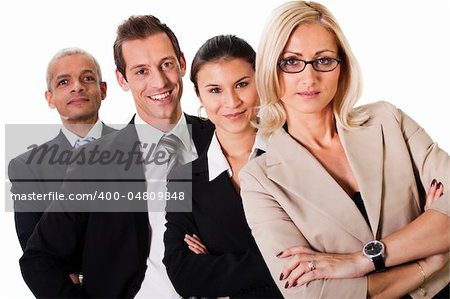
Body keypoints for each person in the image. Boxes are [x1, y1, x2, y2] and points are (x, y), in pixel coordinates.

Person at [239, 1, 449, 298]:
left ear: (343, 66)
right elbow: (310, 294)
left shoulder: (387, 120)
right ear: (271, 69)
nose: (309, 78)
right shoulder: (260, 179)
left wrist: (360, 261)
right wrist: (426, 262)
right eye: (291, 62)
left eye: (323, 60)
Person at [19, 15, 213, 298]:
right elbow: (39, 259)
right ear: (122, 79)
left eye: (166, 64)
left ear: (182, 63)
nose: (159, 81)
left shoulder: (219, 136)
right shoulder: (95, 160)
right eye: (141, 71)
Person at [163, 35, 282, 298]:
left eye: (241, 84)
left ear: (260, 81)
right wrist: (286, 262)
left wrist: (217, 264)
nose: (231, 101)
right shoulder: (184, 179)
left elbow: (331, 245)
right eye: (215, 90)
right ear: (198, 95)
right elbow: (184, 275)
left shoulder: (296, 153)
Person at [9, 47, 116, 251]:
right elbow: (35, 250)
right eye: (63, 82)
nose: (77, 87)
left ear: (103, 90)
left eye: (87, 78)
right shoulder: (27, 168)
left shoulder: (138, 148)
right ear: (50, 98)